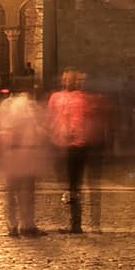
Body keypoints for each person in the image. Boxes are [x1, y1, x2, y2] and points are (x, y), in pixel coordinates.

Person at [46, 68, 101, 232]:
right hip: (59, 144)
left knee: (74, 184)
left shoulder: (82, 98)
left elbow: (85, 119)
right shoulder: (55, 97)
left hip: (76, 146)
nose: (66, 81)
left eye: (70, 79)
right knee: (65, 183)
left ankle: (75, 223)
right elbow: (51, 117)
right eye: (65, 78)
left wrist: (75, 132)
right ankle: (71, 218)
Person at [0, 77, 48, 235]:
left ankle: (12, 225)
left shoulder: (4, 104)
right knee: (27, 190)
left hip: (9, 151)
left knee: (12, 190)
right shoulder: (28, 105)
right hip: (25, 151)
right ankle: (27, 225)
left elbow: (1, 127)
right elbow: (35, 127)